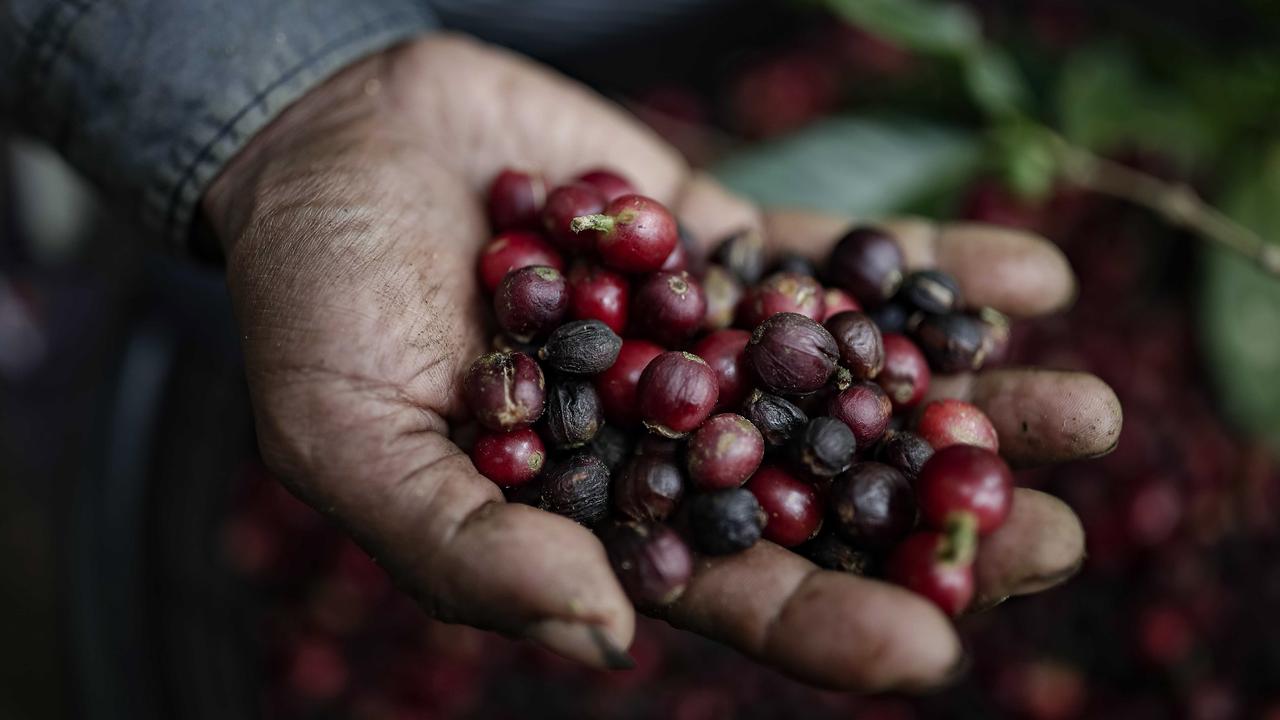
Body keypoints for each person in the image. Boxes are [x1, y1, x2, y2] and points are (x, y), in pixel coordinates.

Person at [2, 1, 1121, 692]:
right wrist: (301, 115)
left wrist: (289, 95)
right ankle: (35, 324)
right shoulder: (615, 338)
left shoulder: (735, 379)